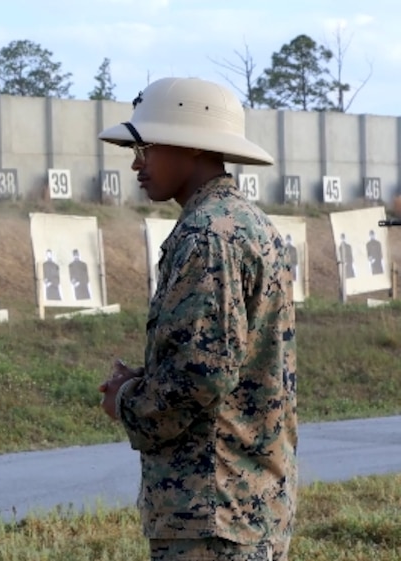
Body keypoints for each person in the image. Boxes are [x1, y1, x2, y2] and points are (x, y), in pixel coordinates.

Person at [96, 77, 298, 561]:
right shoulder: (246, 223)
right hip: (247, 502)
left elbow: (200, 378)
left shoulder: (207, 236)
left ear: (191, 145)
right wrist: (148, 378)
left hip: (212, 511)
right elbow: (231, 361)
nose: (136, 162)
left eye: (146, 146)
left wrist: (126, 399)